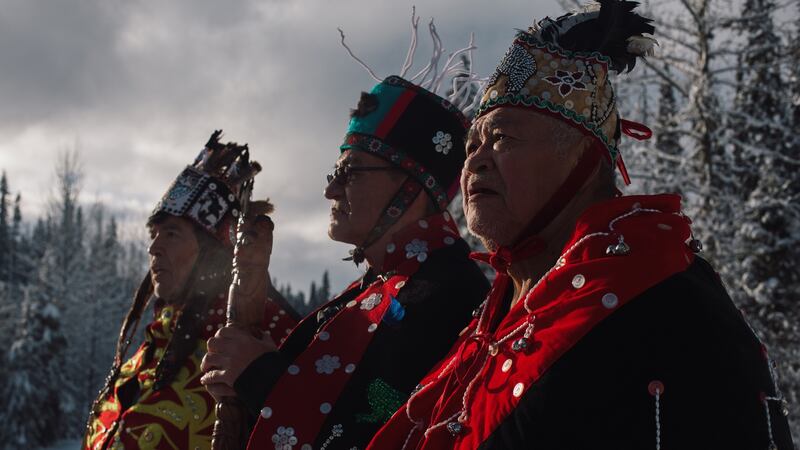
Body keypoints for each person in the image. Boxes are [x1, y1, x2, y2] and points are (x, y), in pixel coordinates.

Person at [367, 1, 796, 449]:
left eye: (502, 138)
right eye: (473, 145)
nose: (474, 160)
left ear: (585, 160)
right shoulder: (500, 310)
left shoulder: (660, 304)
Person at [200, 75, 490, 449]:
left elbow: (389, 436)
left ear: (411, 186)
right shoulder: (374, 289)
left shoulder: (450, 296)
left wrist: (260, 378)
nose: (330, 190)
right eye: (334, 173)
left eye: (348, 172)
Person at [82, 131, 299, 450]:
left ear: (210, 253)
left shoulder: (256, 345)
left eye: (171, 234)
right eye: (153, 234)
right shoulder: (152, 349)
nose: (154, 247)